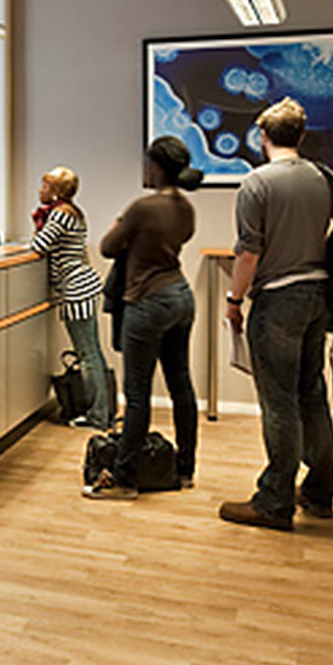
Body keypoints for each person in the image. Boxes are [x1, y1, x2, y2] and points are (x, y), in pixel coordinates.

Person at [219, 98, 333, 531]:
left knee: (279, 401)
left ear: (263, 136)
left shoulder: (256, 183)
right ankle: (319, 491)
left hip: (277, 300)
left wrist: (233, 301)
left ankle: (274, 501)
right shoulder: (324, 177)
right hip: (318, 298)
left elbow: (250, 252)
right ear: (300, 137)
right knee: (311, 394)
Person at [93, 137, 204, 498]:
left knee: (137, 393)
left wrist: (122, 226)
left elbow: (107, 247)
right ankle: (185, 469)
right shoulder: (186, 208)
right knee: (181, 385)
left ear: (155, 167)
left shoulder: (142, 208)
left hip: (147, 300)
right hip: (181, 296)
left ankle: (124, 479)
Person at [29, 167, 111, 431]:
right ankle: (102, 411)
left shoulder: (59, 215)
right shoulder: (73, 212)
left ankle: (97, 417)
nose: (40, 190)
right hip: (83, 287)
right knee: (92, 353)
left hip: (76, 291)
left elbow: (38, 246)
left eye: (45, 186)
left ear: (57, 191)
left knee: (88, 355)